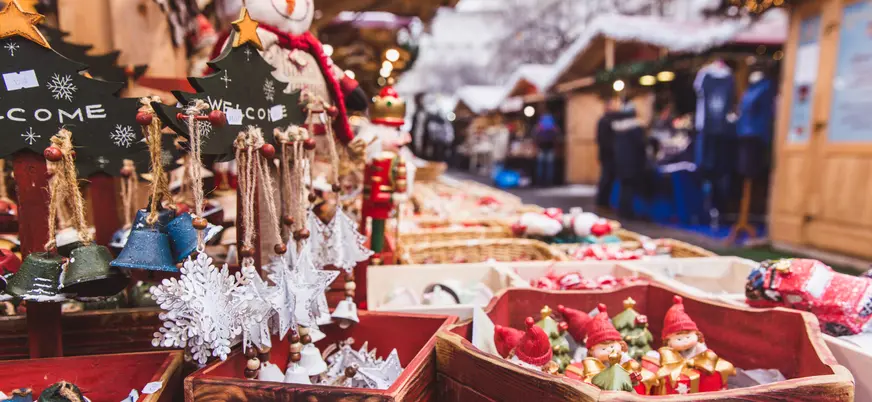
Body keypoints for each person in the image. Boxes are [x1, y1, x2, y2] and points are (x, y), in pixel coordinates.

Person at [599, 96, 647, 219]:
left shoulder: (616, 128)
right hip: (630, 162)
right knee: (627, 186)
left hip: (619, 161)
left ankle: (621, 210)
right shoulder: (634, 129)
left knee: (623, 186)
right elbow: (640, 146)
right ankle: (626, 212)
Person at [532, 113, 561, 186]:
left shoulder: (539, 126)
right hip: (550, 148)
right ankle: (549, 182)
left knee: (541, 166)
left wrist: (536, 146)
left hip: (541, 148)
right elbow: (557, 136)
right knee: (549, 166)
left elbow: (534, 135)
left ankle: (540, 181)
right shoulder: (553, 126)